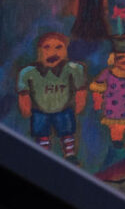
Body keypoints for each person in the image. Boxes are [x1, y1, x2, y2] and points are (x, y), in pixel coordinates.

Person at [17, 32, 87, 162]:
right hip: (40, 110)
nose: (52, 52)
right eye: (46, 47)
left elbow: (80, 89)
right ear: (39, 51)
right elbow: (24, 92)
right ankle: (44, 155)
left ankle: (70, 154)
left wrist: (80, 103)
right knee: (42, 134)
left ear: (66, 50)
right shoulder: (28, 72)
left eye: (58, 47)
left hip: (64, 107)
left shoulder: (73, 69)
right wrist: (25, 107)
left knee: (67, 132)